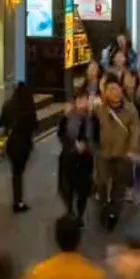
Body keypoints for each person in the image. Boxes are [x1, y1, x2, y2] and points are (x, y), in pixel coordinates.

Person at [95, 76, 140, 225]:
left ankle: (114, 212)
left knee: (119, 185)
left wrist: (132, 149)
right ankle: (103, 206)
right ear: (105, 92)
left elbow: (135, 131)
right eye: (111, 89)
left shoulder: (130, 109)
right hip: (104, 152)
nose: (114, 92)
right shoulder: (99, 108)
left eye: (116, 88)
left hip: (123, 153)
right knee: (101, 181)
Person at [57, 89, 97, 226]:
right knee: (67, 187)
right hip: (69, 157)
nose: (82, 103)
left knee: (83, 190)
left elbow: (97, 137)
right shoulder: (68, 116)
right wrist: (73, 145)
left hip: (85, 159)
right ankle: (69, 210)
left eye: (85, 100)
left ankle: (80, 214)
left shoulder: (92, 118)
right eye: (79, 100)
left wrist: (87, 146)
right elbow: (61, 134)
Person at [0, 83, 38, 213]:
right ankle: (18, 201)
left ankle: (17, 199)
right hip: (24, 145)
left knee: (15, 172)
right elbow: (34, 126)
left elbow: (3, 121)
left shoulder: (8, 105)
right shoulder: (29, 108)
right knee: (19, 172)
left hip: (11, 144)